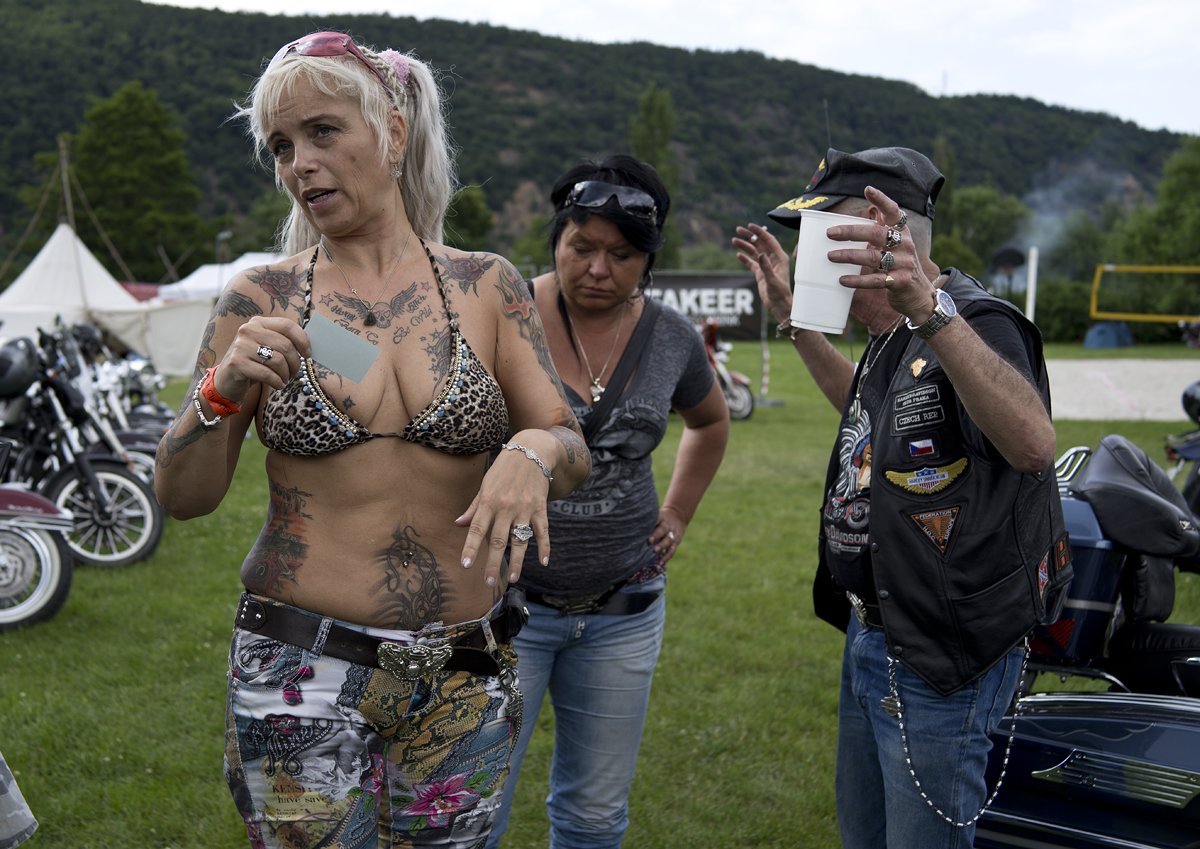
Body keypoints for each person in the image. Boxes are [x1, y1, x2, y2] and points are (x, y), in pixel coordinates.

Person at [154, 31, 591, 849]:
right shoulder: (263, 295)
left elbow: (570, 441)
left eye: (323, 131)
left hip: (464, 671)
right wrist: (221, 389)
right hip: (300, 669)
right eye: (281, 146)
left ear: (392, 132)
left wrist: (531, 453)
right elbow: (182, 498)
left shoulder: (487, 285)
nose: (299, 163)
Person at [732, 147, 1069, 848]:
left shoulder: (977, 320)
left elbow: (1035, 446)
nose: (805, 255)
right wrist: (796, 319)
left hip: (941, 651)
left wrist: (929, 311)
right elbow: (867, 421)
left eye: (818, 235)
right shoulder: (886, 335)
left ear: (876, 232)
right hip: (875, 632)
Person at [486, 155, 730, 849]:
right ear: (556, 239)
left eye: (621, 255)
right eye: (581, 247)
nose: (598, 268)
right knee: (472, 809)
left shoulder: (672, 337)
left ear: (649, 260)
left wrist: (677, 511)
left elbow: (711, 420)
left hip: (623, 608)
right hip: (502, 607)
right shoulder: (501, 315)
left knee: (594, 817)